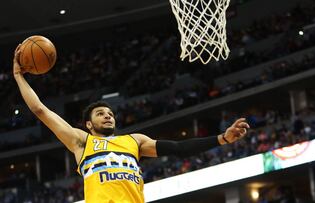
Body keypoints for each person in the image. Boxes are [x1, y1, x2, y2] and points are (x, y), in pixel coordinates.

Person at [13, 44, 250, 203]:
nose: (107, 116)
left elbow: (178, 148)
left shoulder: (134, 141)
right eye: (100, 114)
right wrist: (18, 76)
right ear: (88, 124)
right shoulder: (81, 142)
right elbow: (39, 109)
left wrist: (222, 138)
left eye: (110, 113)